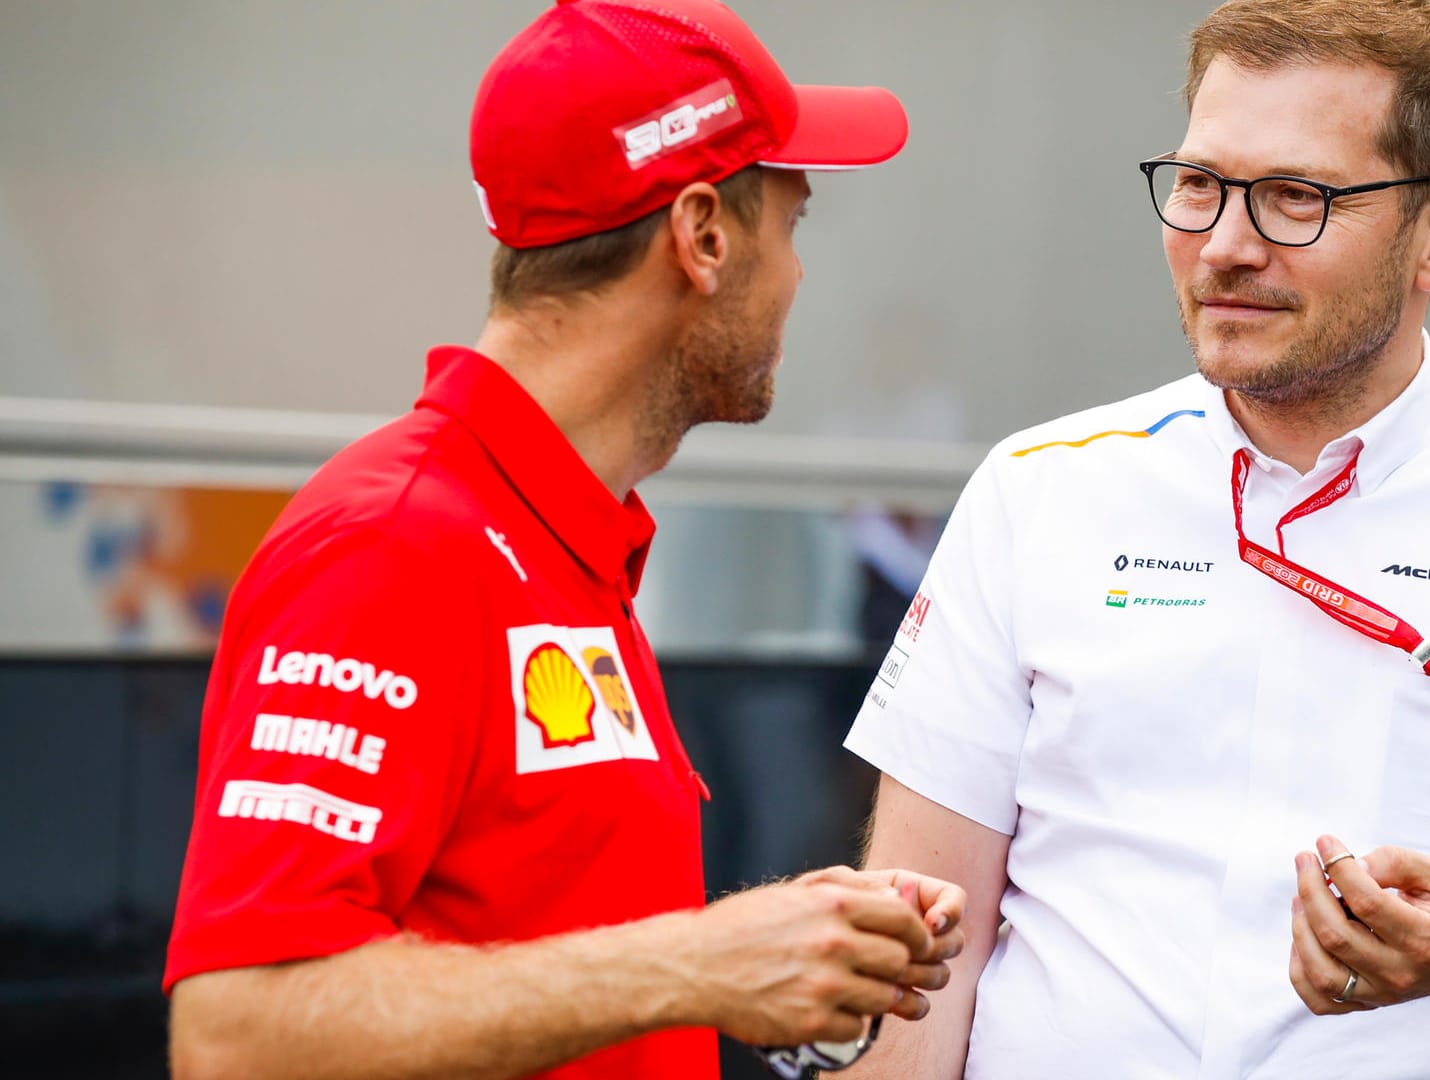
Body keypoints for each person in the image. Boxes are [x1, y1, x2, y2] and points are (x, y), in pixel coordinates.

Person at [843, 2, 1430, 1077]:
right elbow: (914, 947)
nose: (1224, 246)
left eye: (1294, 198)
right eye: (1199, 185)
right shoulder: (1039, 492)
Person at [164, 3, 965, 1078]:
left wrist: (782, 948)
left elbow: (553, 934)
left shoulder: (554, 531)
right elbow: (236, 1036)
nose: (801, 276)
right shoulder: (393, 544)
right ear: (703, 237)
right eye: (793, 223)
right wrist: (700, 964)